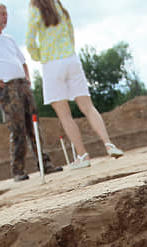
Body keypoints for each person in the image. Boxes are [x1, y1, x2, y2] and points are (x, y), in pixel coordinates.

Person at [0, 2, 62, 182]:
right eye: (2, 14)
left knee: (34, 125)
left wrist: (27, 78)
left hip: (23, 86)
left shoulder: (9, 39)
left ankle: (45, 164)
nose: (5, 17)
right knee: (17, 128)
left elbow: (23, 61)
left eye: (6, 14)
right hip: (6, 89)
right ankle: (18, 170)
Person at [25, 0, 124, 169]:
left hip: (52, 63)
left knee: (65, 114)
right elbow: (71, 33)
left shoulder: (35, 8)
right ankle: (108, 144)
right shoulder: (59, 6)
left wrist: (38, 57)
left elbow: (29, 40)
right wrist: (68, 51)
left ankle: (82, 155)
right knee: (88, 107)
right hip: (71, 59)